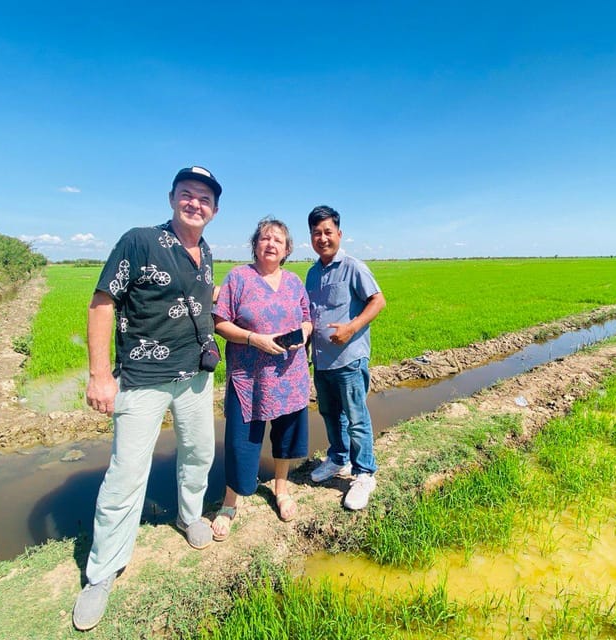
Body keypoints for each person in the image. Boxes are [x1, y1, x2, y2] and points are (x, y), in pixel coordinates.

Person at [72, 166, 221, 631]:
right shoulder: (139, 241)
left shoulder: (207, 252)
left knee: (199, 453)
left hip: (196, 375)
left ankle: (189, 516)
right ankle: (101, 573)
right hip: (142, 377)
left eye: (205, 198)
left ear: (214, 210)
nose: (195, 203)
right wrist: (99, 375)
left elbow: (196, 300)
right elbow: (102, 302)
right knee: (126, 474)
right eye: (188, 194)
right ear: (173, 197)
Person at [211, 217, 312, 540]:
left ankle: (281, 490)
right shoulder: (238, 278)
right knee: (242, 441)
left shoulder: (294, 282)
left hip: (290, 374)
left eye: (278, 241)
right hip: (249, 379)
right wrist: (255, 339)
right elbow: (220, 322)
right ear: (255, 244)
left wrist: (304, 333)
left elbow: (308, 318)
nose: (271, 244)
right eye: (265, 238)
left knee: (285, 437)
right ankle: (230, 504)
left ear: (287, 250)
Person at [305, 205, 386, 510]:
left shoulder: (354, 267)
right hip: (322, 360)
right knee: (329, 414)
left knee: (356, 418)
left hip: (349, 359)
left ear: (339, 234)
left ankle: (365, 472)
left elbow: (378, 301)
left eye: (328, 232)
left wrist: (351, 328)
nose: (322, 238)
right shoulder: (312, 273)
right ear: (311, 237)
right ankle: (338, 458)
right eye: (316, 233)